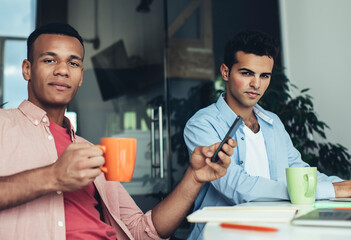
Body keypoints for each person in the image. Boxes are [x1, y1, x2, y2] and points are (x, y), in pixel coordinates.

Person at [0, 23, 237, 240]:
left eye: (73, 63)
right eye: (50, 60)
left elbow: (141, 230)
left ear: (81, 76)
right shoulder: (3, 125)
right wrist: (54, 176)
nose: (63, 70)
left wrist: (194, 177)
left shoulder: (90, 153)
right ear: (27, 69)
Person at [184, 29, 351, 239]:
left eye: (264, 76)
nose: (256, 84)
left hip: (277, 231)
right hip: (224, 234)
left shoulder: (272, 122)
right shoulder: (201, 125)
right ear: (225, 72)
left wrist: (348, 187)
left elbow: (300, 171)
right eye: (246, 73)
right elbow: (237, 186)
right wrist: (330, 190)